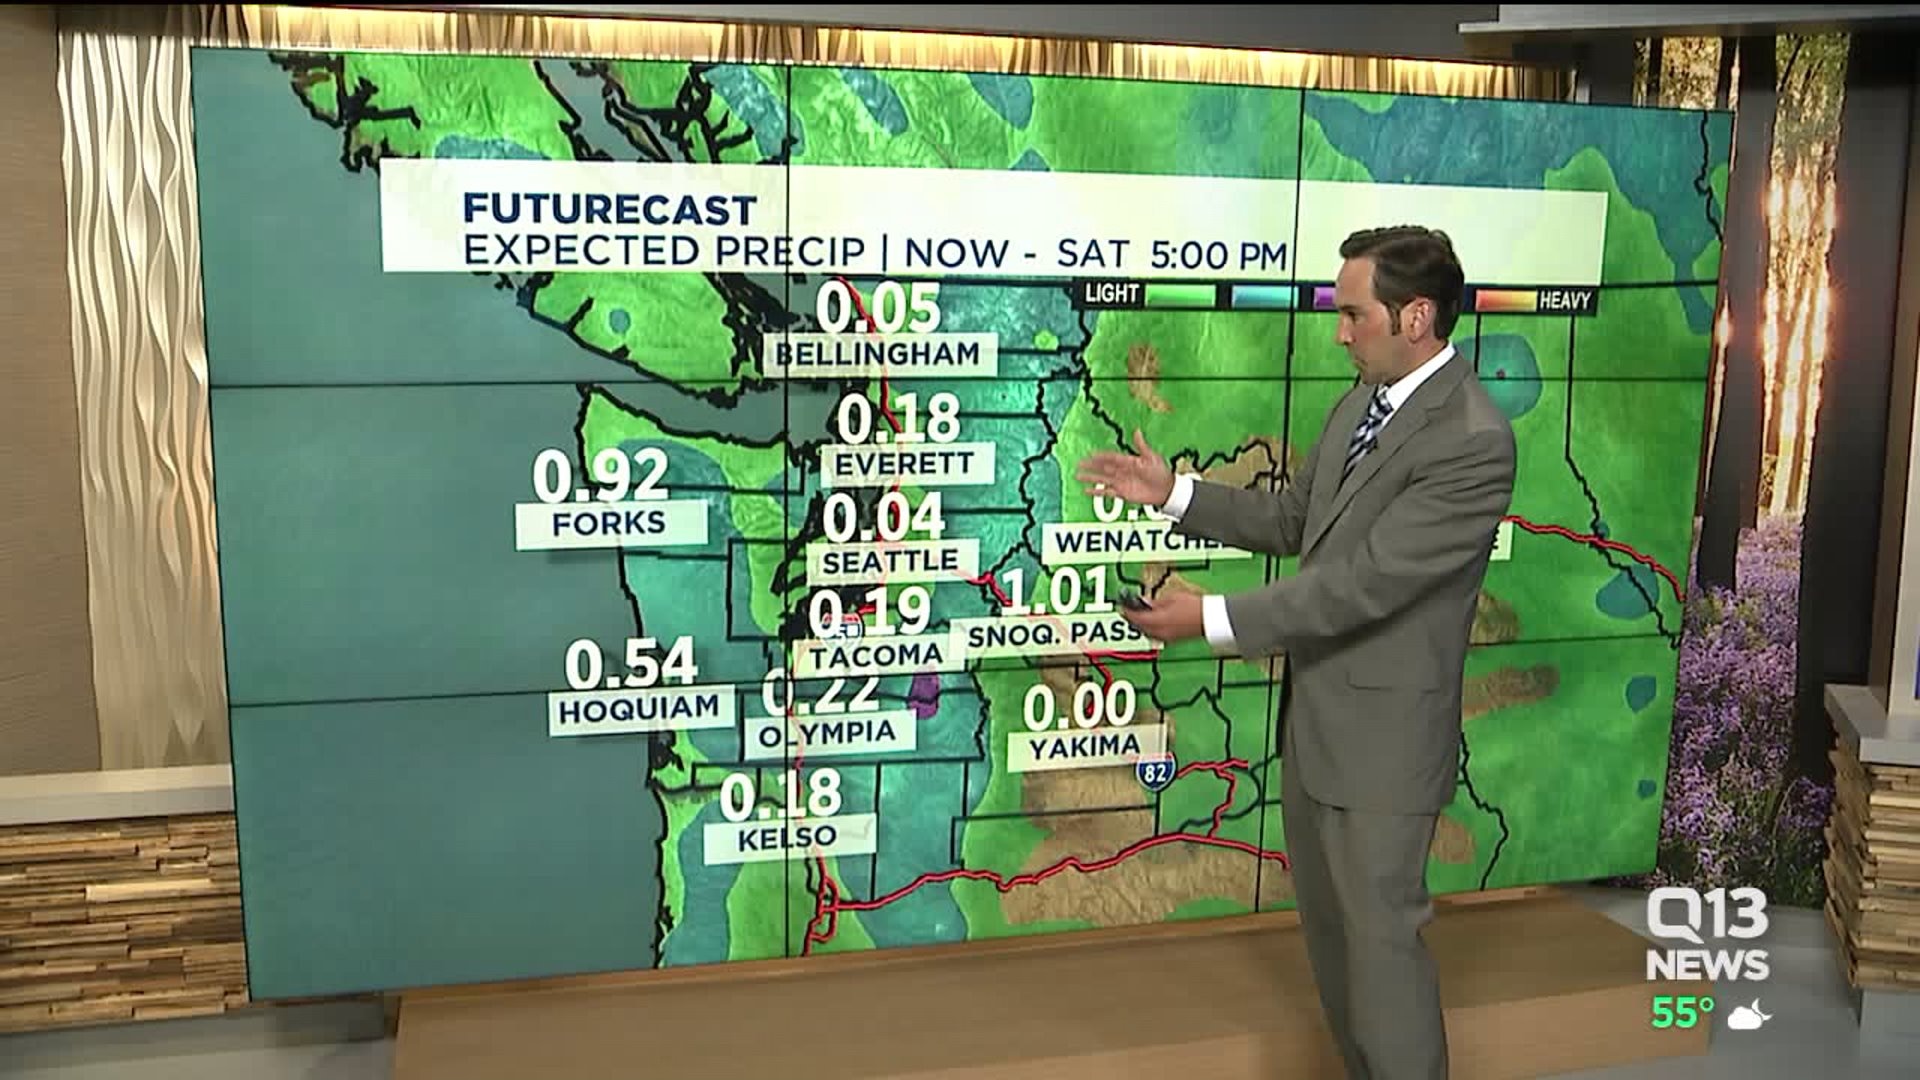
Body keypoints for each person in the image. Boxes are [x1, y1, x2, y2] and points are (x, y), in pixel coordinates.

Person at [1073, 225, 1516, 1079]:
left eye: (1353, 314)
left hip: (1383, 758)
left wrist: (1210, 620)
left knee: (1383, 966)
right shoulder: (1359, 406)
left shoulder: (1471, 438)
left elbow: (1363, 585)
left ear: (1416, 316)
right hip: (1315, 736)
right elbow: (1293, 521)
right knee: (1340, 964)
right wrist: (1175, 494)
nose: (1339, 333)